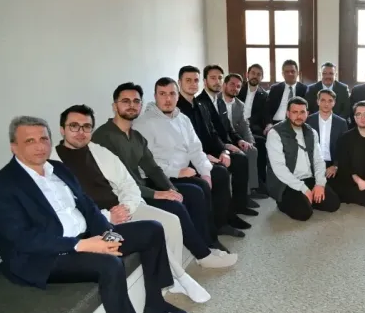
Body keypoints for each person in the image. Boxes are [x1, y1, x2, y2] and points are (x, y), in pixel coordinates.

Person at [0, 116, 190, 313]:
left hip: (87, 239)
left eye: (43, 139)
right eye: (29, 141)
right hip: (45, 256)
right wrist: (82, 245)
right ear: (14, 146)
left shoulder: (58, 169)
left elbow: (88, 207)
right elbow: (22, 239)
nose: (39, 146)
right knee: (108, 264)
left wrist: (106, 234)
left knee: (152, 230)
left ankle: (155, 302)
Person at [55, 105, 238, 298]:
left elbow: (128, 183)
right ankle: (179, 277)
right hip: (99, 219)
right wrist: (108, 216)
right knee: (154, 229)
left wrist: (126, 206)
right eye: (74, 126)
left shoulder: (99, 151)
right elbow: (67, 208)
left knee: (171, 220)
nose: (81, 132)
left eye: (86, 127)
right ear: (62, 129)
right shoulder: (52, 163)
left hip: (125, 206)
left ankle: (175, 277)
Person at [93, 82, 230, 252]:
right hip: (121, 198)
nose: (131, 105)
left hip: (139, 190)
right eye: (125, 101)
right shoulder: (104, 137)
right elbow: (121, 183)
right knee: (183, 201)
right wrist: (158, 193)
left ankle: (208, 242)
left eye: (136, 101)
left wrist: (171, 189)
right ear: (115, 106)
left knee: (190, 191)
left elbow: (153, 168)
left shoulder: (135, 136)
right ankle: (204, 252)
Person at [134, 77, 246, 238]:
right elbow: (147, 163)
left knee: (219, 173)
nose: (167, 99)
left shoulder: (183, 119)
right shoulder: (144, 123)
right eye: (162, 94)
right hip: (161, 176)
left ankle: (222, 223)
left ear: (177, 96)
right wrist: (177, 172)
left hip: (185, 170)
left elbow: (195, 149)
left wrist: (205, 171)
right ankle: (208, 237)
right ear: (155, 96)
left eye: (172, 94)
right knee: (199, 188)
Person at [183, 65, 257, 217]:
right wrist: (222, 148)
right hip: (203, 151)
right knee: (226, 168)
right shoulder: (200, 102)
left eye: (220, 78)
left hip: (217, 145)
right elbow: (200, 136)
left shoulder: (219, 101)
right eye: (213, 78)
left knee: (242, 158)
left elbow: (222, 129)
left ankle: (240, 204)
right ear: (205, 81)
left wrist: (233, 143)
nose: (217, 81)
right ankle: (228, 214)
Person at [265, 97, 341, 220]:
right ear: (288, 113)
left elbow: (318, 160)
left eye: (302, 112)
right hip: (285, 182)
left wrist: (320, 184)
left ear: (307, 113)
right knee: (304, 213)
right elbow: (279, 168)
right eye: (294, 112)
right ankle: (285, 201)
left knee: (333, 204)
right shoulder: (275, 133)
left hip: (308, 177)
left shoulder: (312, 132)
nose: (299, 116)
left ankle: (305, 199)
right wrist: (303, 189)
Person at [216, 73, 265, 198]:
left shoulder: (240, 105)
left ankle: (252, 189)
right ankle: (244, 195)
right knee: (242, 156)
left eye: (238, 86)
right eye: (232, 84)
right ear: (224, 85)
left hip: (234, 138)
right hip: (218, 140)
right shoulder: (215, 101)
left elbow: (244, 125)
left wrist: (250, 142)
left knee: (252, 150)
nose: (235, 88)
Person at [306, 89, 348, 181]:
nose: (326, 104)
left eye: (330, 101)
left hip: (332, 165)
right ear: (318, 101)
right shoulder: (308, 121)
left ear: (334, 103)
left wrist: (336, 166)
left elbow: (345, 148)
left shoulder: (341, 123)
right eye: (323, 100)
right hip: (312, 164)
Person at [265, 59, 308, 133]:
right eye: (287, 72)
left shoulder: (305, 89)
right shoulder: (275, 89)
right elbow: (267, 109)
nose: (290, 74)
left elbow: (307, 110)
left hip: (296, 124)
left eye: (292, 71)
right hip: (276, 124)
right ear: (283, 74)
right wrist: (269, 124)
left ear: (297, 73)